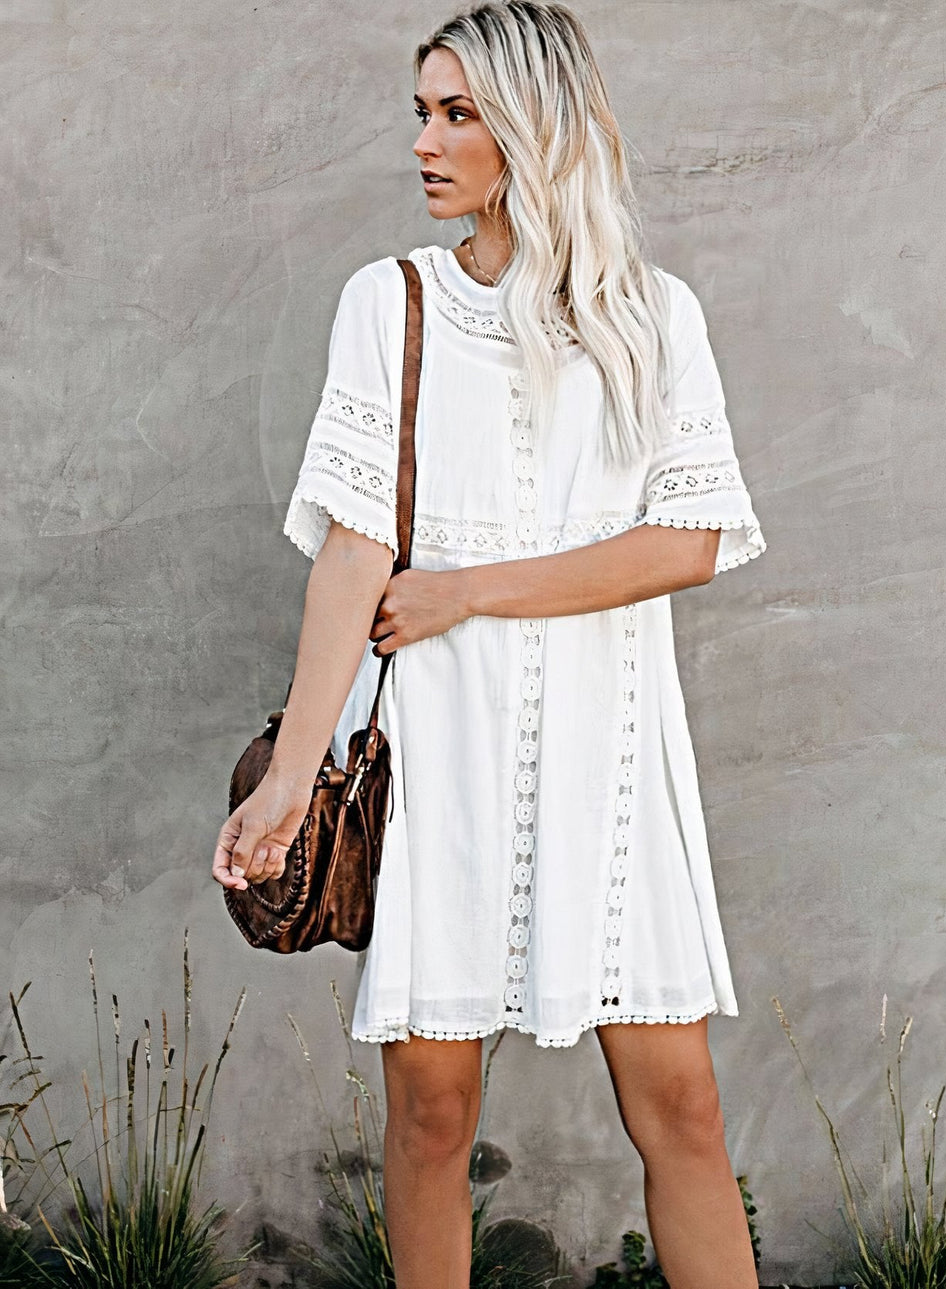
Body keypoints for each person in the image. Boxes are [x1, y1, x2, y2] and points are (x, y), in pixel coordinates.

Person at [213, 3, 767, 1286]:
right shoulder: (390, 304)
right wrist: (291, 777)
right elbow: (354, 554)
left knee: (681, 1108)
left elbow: (687, 541)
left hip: (611, 756)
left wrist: (466, 590)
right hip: (442, 753)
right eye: (422, 111)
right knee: (430, 1116)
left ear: (534, 126)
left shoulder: (653, 315)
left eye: (458, 113)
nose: (424, 141)